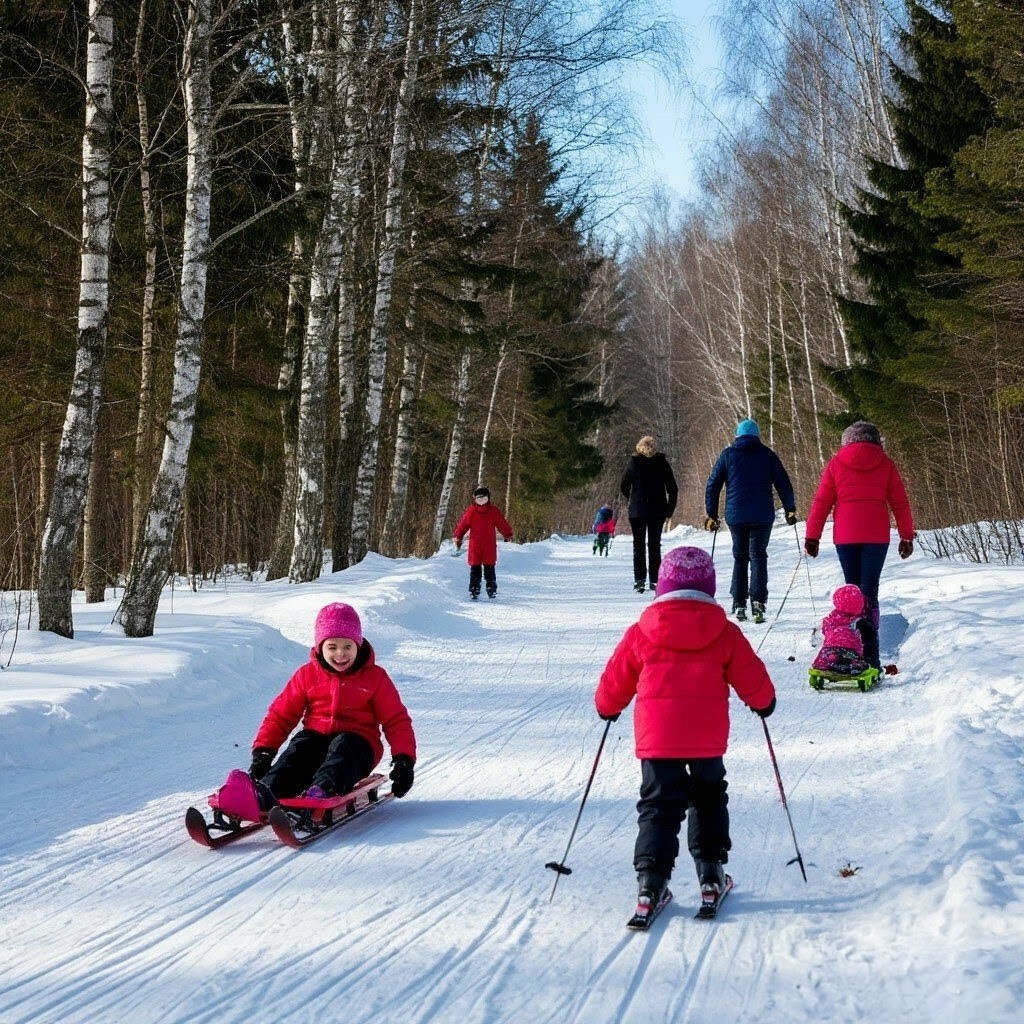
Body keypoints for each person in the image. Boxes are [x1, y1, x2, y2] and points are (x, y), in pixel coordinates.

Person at [594, 546, 776, 915]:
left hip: (658, 739)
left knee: (658, 805)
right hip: (706, 738)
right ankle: (711, 873)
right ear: (709, 586)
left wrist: (607, 707)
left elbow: (615, 680)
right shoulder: (724, 632)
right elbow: (751, 675)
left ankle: (650, 882)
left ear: (662, 585)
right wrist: (763, 703)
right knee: (708, 798)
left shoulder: (641, 632)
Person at [213, 602, 417, 821]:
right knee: (301, 747)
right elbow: (281, 715)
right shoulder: (307, 675)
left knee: (344, 746)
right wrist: (263, 752)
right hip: (317, 741)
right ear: (320, 647)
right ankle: (265, 792)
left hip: (359, 746)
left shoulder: (375, 678)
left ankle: (320, 792)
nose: (341, 654)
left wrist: (404, 760)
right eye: (332, 647)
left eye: (348, 646)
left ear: (358, 645)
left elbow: (396, 721)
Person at [803, 421, 914, 669]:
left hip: (846, 535)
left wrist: (812, 536)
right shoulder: (885, 464)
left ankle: (851, 647)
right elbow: (900, 502)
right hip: (877, 536)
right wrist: (906, 535)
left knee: (852, 592)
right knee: (869, 591)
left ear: (847, 441)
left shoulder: (836, 463)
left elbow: (822, 502)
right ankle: (871, 652)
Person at [704, 418, 796, 624]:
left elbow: (713, 484)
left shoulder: (728, 455)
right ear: (757, 436)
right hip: (762, 515)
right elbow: (783, 483)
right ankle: (758, 602)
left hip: (736, 516)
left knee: (740, 557)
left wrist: (712, 514)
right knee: (758, 556)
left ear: (737, 435)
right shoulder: (767, 455)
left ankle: (739, 602)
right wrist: (790, 509)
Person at [620, 436, 678, 593]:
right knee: (654, 545)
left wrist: (631, 499)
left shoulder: (633, 463)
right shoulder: (662, 463)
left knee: (638, 546)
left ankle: (639, 580)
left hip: (637, 510)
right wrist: (669, 509)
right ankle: (655, 580)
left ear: (639, 448)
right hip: (658, 510)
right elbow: (673, 488)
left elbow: (624, 485)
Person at [454, 485, 514, 599]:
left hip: (480, 545)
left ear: (487, 498)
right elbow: (502, 524)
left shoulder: (478, 511)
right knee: (485, 568)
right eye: (479, 498)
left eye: (483, 498)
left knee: (480, 569)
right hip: (484, 545)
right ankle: (487, 590)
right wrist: (508, 534)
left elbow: (463, 525)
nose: (481, 500)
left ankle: (478, 590)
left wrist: (458, 536)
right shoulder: (485, 511)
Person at [811, 584, 869, 677]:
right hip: (851, 651)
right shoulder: (859, 620)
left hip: (830, 649)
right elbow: (866, 637)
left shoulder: (832, 618)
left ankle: (823, 665)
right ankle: (852, 667)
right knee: (855, 659)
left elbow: (825, 629)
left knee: (825, 656)